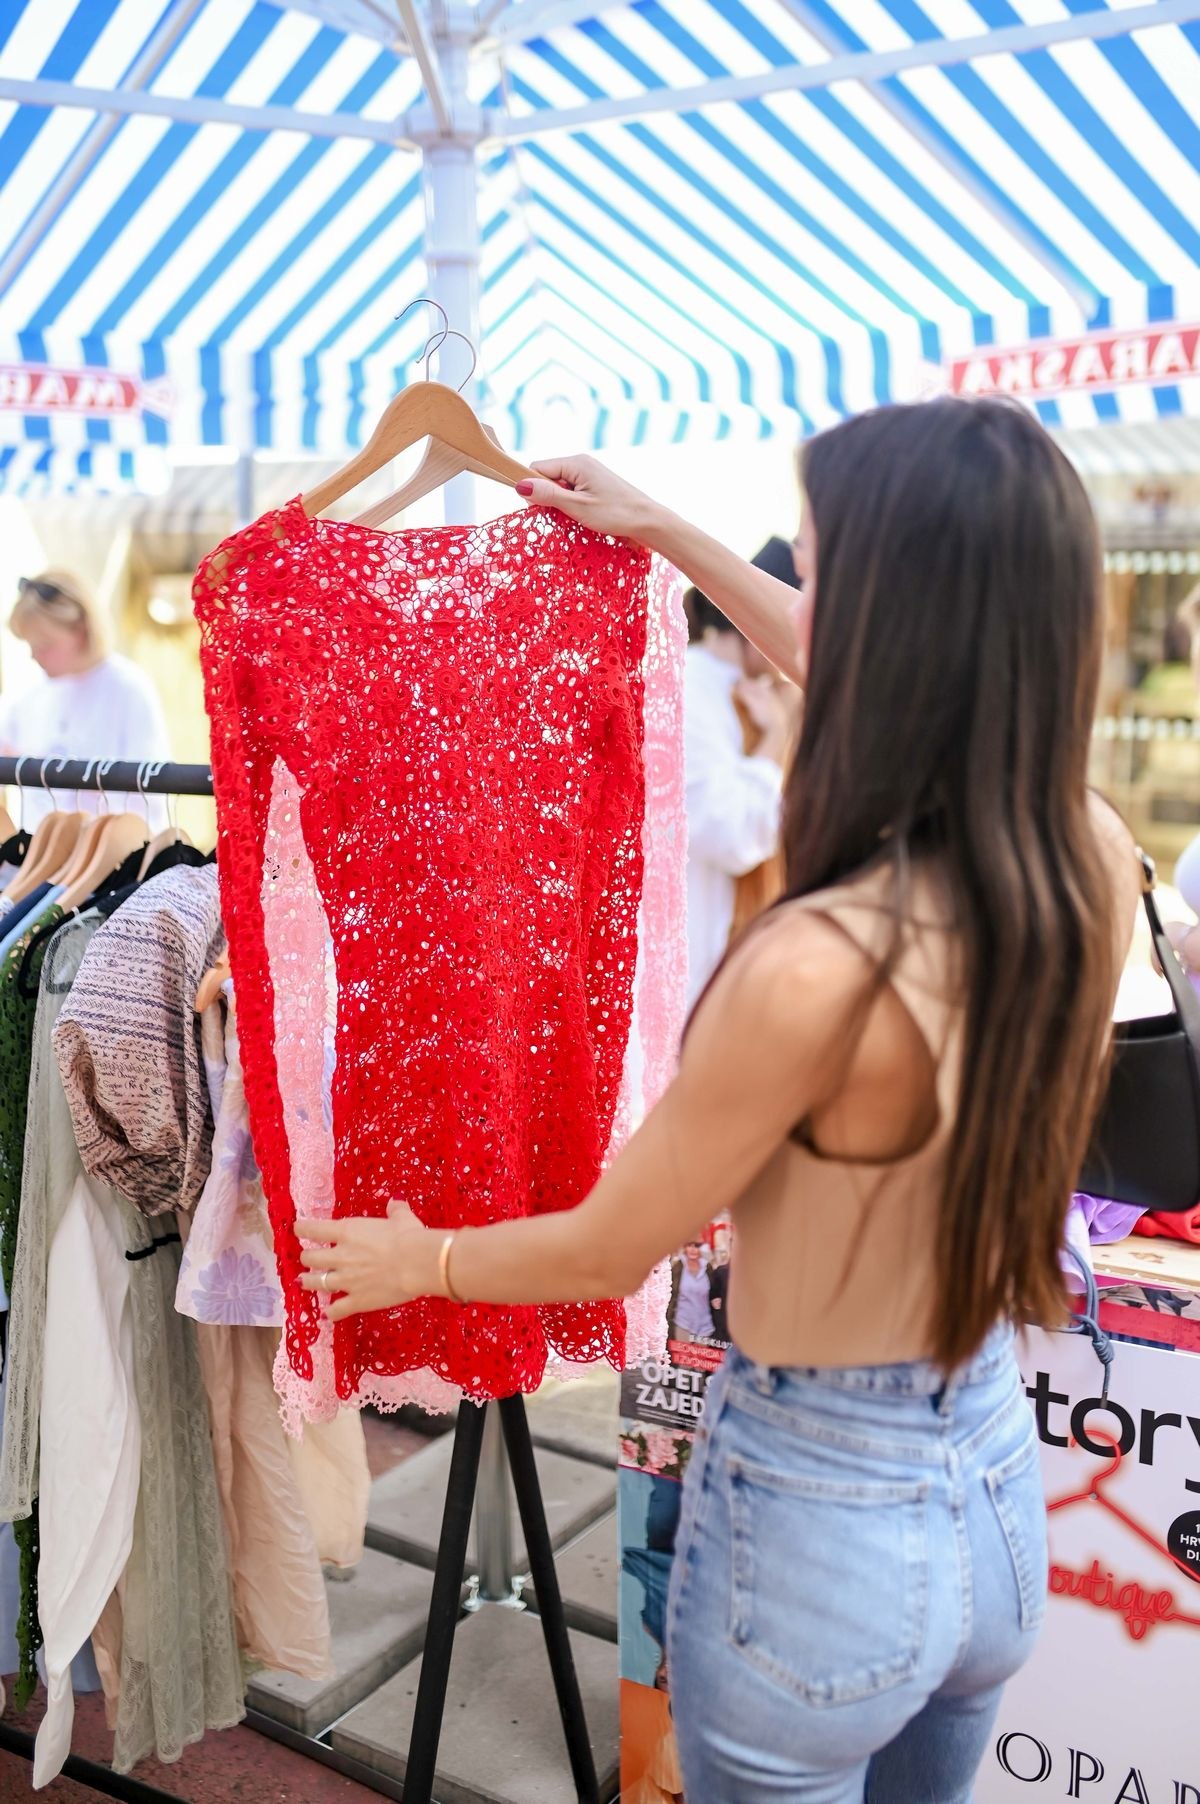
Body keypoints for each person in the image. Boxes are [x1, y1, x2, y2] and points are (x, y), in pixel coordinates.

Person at [298, 397, 1139, 1801]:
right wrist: (669, 532)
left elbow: (609, 1247)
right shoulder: (1088, 851)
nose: (799, 601)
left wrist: (419, 1257)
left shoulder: (817, 966)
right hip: (992, 1480)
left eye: (819, 568)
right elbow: (896, 683)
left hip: (821, 1515)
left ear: (891, 619)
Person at [684, 537, 798, 1005]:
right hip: (695, 961)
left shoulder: (752, 692)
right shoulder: (690, 687)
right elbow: (730, 831)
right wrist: (775, 740)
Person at [0, 573, 171, 826]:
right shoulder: (28, 693)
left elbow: (150, 795)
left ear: (81, 631)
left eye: (45, 645)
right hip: (41, 854)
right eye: (30, 645)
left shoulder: (128, 688)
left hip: (116, 855)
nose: (34, 655)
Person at [666, 1240, 717, 1344]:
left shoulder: (707, 1267)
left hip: (704, 1325)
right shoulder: (678, 1266)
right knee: (683, 1358)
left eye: (697, 1246)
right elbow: (669, 1292)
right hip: (682, 1322)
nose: (693, 1249)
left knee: (701, 1359)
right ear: (685, 1247)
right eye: (690, 1246)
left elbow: (714, 1292)